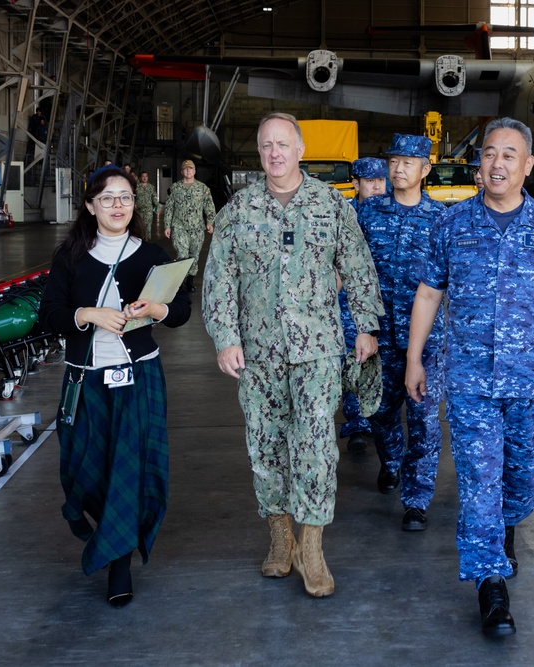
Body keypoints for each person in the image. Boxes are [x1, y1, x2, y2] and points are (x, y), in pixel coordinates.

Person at [405, 118, 534, 636]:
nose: (496, 163)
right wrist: (415, 358)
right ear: (480, 165)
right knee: (480, 481)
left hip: (527, 383)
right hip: (469, 381)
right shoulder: (452, 225)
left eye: (509, 155)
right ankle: (491, 586)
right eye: (489, 154)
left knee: (519, 477)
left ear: (527, 166)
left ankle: (506, 526)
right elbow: (430, 294)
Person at [202, 113, 383, 598]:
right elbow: (219, 279)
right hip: (259, 354)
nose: (274, 153)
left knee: (316, 447)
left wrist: (366, 327)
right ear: (258, 153)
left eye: (283, 144)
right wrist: (225, 337)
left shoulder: (330, 204)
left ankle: (313, 546)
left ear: (300, 149)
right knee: (265, 447)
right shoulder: (240, 209)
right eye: (266, 146)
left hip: (318, 350)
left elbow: (358, 265)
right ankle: (280, 540)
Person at [37, 165, 191, 607]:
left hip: (138, 377)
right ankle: (103, 532)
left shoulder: (153, 256)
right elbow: (49, 314)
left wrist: (157, 309)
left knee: (130, 468)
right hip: (85, 381)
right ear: (90, 206)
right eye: (107, 198)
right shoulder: (70, 256)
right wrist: (88, 315)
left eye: (124, 197)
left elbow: (180, 309)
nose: (117, 205)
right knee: (84, 469)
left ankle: (118, 565)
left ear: (133, 203)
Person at [357, 135, 447, 531]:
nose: (398, 169)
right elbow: (355, 273)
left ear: (425, 170)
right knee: (378, 413)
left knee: (425, 420)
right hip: (381, 336)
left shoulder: (442, 219)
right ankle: (391, 460)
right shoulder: (367, 213)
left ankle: (416, 499)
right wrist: (363, 327)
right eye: (393, 161)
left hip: (426, 341)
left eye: (409, 162)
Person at [337, 156, 389, 454]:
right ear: (356, 183)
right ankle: (357, 423)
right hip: (351, 306)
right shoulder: (345, 215)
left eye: (381, 180)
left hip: (389, 304)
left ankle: (380, 420)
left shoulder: (394, 213)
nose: (377, 186)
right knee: (353, 363)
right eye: (370, 181)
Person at [163, 159, 216, 294]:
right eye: (185, 168)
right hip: (179, 226)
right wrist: (167, 225)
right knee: (182, 255)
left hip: (197, 228)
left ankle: (190, 281)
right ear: (182, 172)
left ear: (194, 171)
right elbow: (169, 207)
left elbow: (209, 206)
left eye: (190, 168)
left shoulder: (202, 188)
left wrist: (210, 222)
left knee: (194, 256)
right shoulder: (175, 188)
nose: (188, 170)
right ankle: (180, 283)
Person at [135, 171, 160, 240]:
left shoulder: (151, 187)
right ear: (140, 178)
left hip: (148, 210)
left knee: (148, 227)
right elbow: (133, 197)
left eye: (146, 176)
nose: (144, 178)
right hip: (139, 210)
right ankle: (139, 241)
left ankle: (147, 241)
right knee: (139, 226)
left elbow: (154, 198)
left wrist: (157, 207)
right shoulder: (137, 187)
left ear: (148, 177)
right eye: (143, 176)